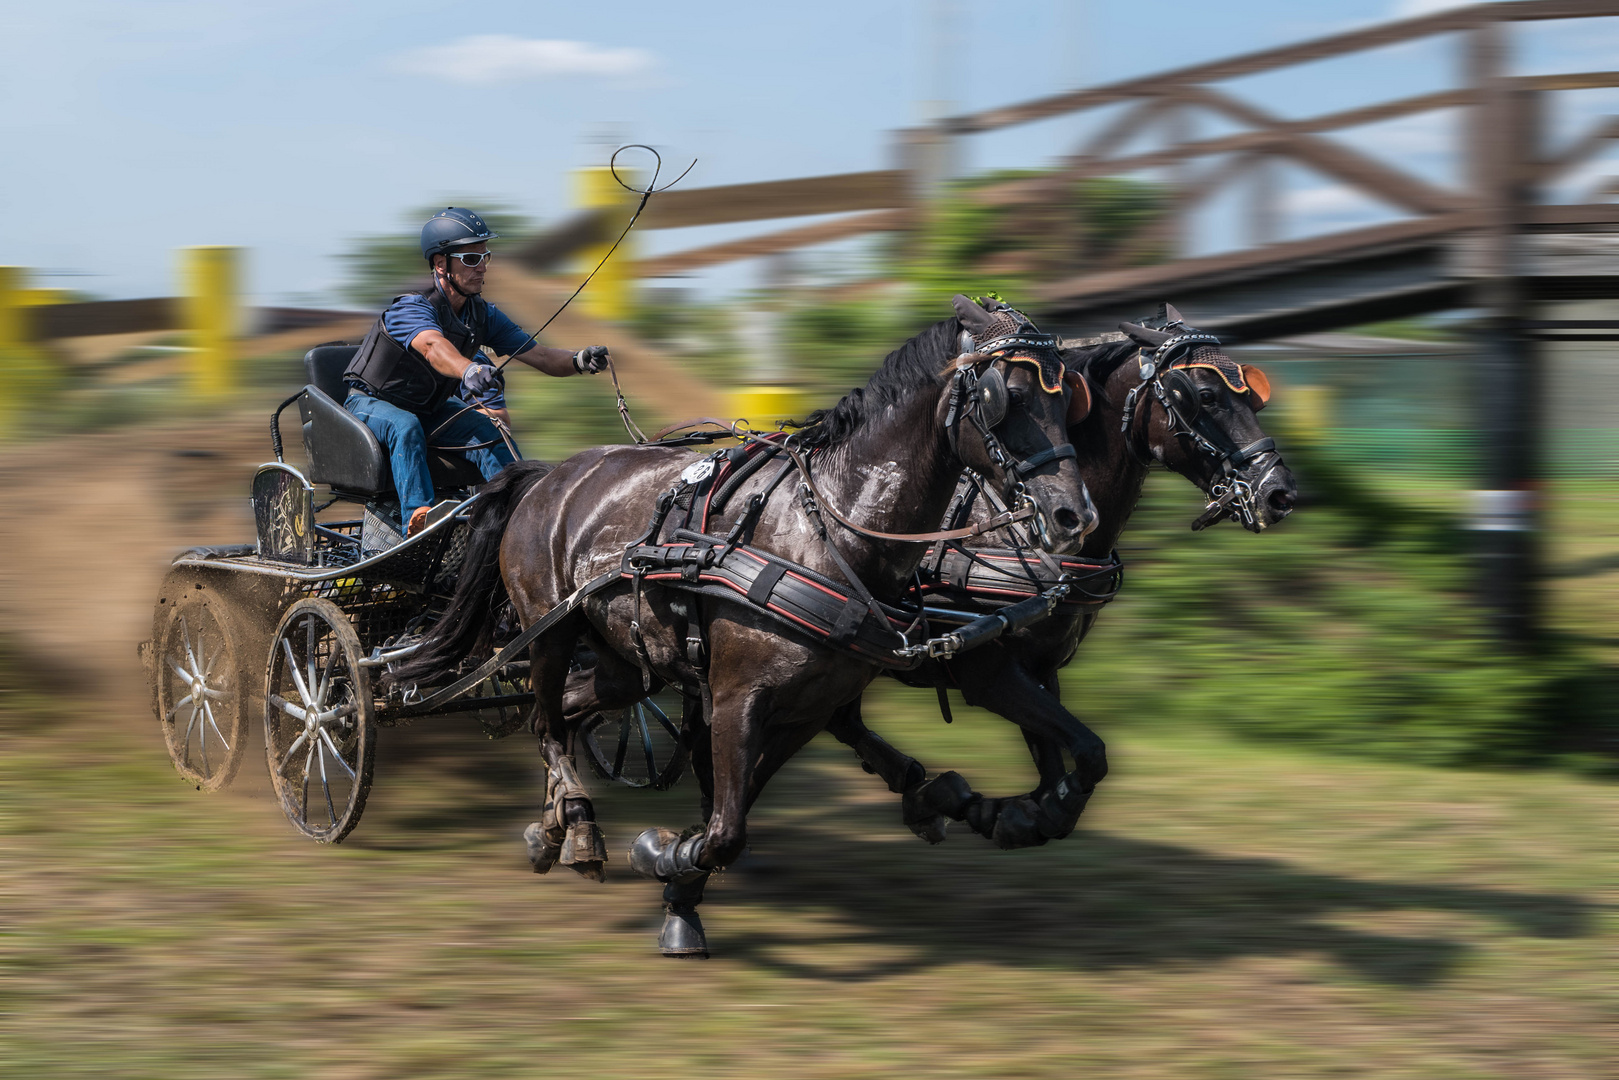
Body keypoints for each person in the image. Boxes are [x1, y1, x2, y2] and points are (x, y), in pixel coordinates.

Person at [343, 207, 610, 534]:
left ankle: (519, 518)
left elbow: (540, 356)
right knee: (405, 426)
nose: (482, 266)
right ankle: (421, 522)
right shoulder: (411, 306)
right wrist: (469, 370)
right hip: (372, 404)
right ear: (441, 264)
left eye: (485, 256)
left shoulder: (482, 315)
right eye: (470, 259)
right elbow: (432, 346)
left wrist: (579, 360)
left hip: (430, 409)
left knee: (489, 430)